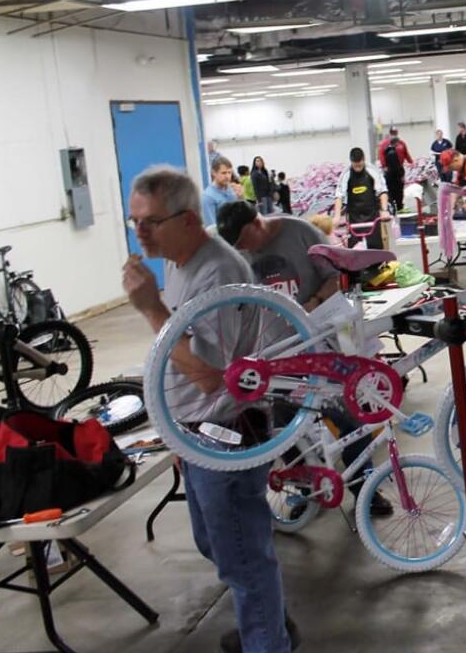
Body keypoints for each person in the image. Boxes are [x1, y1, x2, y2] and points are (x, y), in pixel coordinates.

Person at [120, 166, 297, 653]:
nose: (141, 231)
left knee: (240, 553)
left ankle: (269, 641)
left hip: (225, 429)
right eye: (134, 221)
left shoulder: (217, 271)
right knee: (219, 543)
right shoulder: (179, 260)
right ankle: (271, 621)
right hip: (196, 431)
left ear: (190, 220)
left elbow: (208, 374)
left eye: (151, 221)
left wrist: (150, 309)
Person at [215, 201, 393, 517]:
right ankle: (309, 488)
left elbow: (335, 274)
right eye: (236, 246)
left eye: (244, 241)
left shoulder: (300, 232)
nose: (243, 250)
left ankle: (365, 489)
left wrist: (312, 304)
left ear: (257, 224)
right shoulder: (237, 253)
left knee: (347, 416)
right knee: (285, 428)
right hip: (275, 352)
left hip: (318, 344)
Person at [332, 147, 390, 250]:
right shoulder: (346, 174)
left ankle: (378, 264)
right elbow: (339, 196)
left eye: (360, 164)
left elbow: (382, 192)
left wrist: (384, 210)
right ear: (351, 162)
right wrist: (336, 216)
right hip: (354, 216)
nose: (358, 167)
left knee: (375, 246)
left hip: (372, 214)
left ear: (364, 159)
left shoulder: (372, 171)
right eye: (355, 165)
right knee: (355, 248)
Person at [378, 127, 413, 213]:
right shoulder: (384, 144)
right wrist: (384, 166)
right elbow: (381, 155)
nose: (394, 135)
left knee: (399, 189)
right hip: (389, 170)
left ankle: (400, 206)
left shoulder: (401, 143)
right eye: (392, 133)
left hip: (399, 169)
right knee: (390, 190)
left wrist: (411, 162)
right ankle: (392, 207)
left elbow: (406, 153)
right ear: (390, 133)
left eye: (395, 133)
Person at [202, 155, 237, 225]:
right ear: (214, 173)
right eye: (223, 173)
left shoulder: (232, 190)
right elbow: (211, 228)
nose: (227, 176)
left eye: (229, 172)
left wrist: (241, 198)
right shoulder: (208, 197)